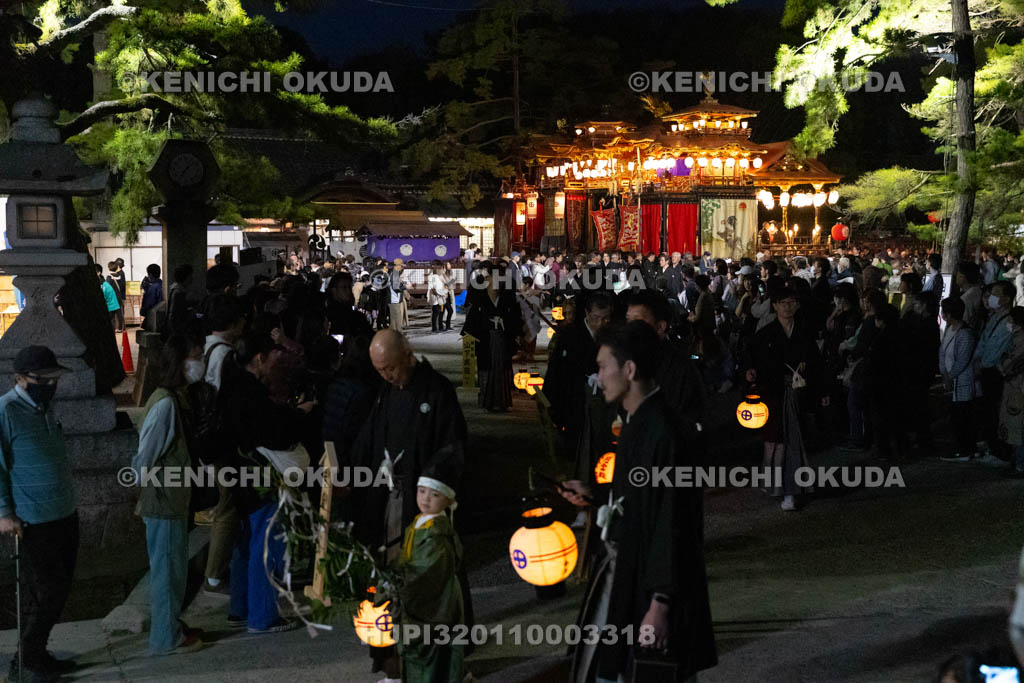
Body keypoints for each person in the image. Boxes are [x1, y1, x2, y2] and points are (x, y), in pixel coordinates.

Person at [561, 321, 716, 683]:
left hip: (650, 586)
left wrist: (660, 604)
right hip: (629, 573)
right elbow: (638, 497)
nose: (598, 377)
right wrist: (596, 495)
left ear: (629, 369)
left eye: (602, 367)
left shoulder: (664, 432)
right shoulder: (638, 422)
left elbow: (672, 521)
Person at [0, 346, 79, 679]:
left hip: (64, 511)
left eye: (53, 378)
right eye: (41, 379)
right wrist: (4, 512)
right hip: (33, 519)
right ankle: (28, 658)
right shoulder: (5, 411)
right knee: (45, 591)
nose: (49, 384)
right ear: (20, 378)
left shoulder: (46, 407)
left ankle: (36, 651)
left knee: (59, 588)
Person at [222, 332, 308, 634]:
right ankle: (263, 616)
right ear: (259, 358)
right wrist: (297, 416)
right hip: (261, 478)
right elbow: (273, 433)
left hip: (238, 475)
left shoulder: (232, 384)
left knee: (247, 542)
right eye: (273, 354)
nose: (277, 359)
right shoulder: (250, 393)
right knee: (267, 543)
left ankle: (241, 608)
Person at [132, 335, 206, 655]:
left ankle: (171, 626)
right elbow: (144, 458)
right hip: (164, 502)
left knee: (174, 570)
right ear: (179, 362)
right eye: (195, 355)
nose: (199, 361)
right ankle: (165, 639)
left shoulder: (176, 399)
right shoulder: (165, 404)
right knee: (166, 573)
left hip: (172, 500)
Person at [745, 286, 829, 511]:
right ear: (774, 306)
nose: (787, 306)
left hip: (797, 394)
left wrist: (821, 392)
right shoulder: (766, 334)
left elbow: (817, 365)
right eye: (783, 302)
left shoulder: (804, 333)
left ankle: (788, 488)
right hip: (773, 392)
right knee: (774, 441)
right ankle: (776, 484)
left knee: (792, 442)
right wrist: (751, 371)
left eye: (791, 302)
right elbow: (750, 356)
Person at [387, 474, 467, 683]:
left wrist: (397, 583)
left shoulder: (437, 536)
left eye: (434, 494)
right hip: (423, 597)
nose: (426, 499)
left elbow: (425, 572)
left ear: (449, 500)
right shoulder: (419, 523)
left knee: (433, 654)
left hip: (435, 602)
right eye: (421, 491)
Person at [461, 263, 523, 412]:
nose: (495, 285)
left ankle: (502, 402)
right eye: (491, 281)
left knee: (502, 371)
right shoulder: (479, 303)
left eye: (498, 281)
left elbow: (516, 320)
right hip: (486, 340)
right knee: (486, 371)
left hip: (502, 340)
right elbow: (471, 325)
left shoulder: (508, 301)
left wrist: (511, 330)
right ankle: (487, 402)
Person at [974, 281, 1015, 463]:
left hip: (996, 372)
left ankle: (998, 451)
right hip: (986, 370)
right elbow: (984, 342)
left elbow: (997, 348)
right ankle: (991, 445)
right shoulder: (994, 317)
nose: (991, 298)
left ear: (1006, 299)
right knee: (988, 410)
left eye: (996, 294)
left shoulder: (1009, 321)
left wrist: (984, 362)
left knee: (994, 411)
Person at [938, 297, 979, 462]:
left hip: (961, 381)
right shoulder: (950, 329)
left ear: (948, 314)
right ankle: (964, 447)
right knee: (957, 416)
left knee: (962, 416)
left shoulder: (965, 334)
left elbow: (962, 359)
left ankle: (964, 449)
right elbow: (942, 352)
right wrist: (944, 373)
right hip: (951, 379)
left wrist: (950, 376)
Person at [998, 307, 1024, 478]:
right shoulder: (1016, 337)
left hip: (1018, 387)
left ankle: (1020, 464)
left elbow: (1009, 363)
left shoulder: (1020, 339)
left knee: (1019, 427)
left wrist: (1002, 363)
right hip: (1016, 386)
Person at [97, 263, 121, 332]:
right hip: (112, 305)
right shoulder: (104, 281)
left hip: (111, 307)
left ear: (99, 273)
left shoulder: (104, 284)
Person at [427, 262, 449, 334]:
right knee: (436, 312)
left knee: (441, 311)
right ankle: (434, 327)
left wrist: (444, 292)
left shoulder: (440, 276)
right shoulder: (432, 276)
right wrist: (438, 294)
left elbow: (445, 285)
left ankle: (440, 326)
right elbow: (432, 287)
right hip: (435, 296)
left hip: (441, 296)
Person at [388, 259, 409, 332]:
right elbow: (396, 287)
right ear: (397, 266)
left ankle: (394, 336)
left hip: (392, 299)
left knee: (393, 320)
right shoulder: (395, 273)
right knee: (397, 320)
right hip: (394, 299)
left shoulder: (392, 272)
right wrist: (404, 286)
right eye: (401, 266)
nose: (402, 268)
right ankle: (398, 336)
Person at [107, 260, 127, 332]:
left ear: (109, 268)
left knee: (111, 314)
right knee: (119, 313)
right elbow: (122, 286)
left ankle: (112, 328)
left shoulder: (109, 277)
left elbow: (108, 288)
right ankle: (120, 328)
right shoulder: (120, 275)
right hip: (119, 297)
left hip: (112, 298)